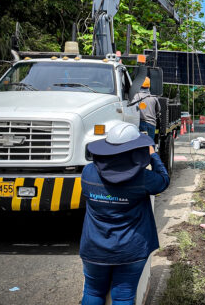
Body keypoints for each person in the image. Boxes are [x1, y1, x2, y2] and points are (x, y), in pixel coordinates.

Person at [81, 121, 169, 305]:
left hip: (94, 248)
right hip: (131, 250)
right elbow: (163, 181)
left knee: (93, 292)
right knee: (124, 295)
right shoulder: (143, 179)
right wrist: (153, 157)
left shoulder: (88, 173)